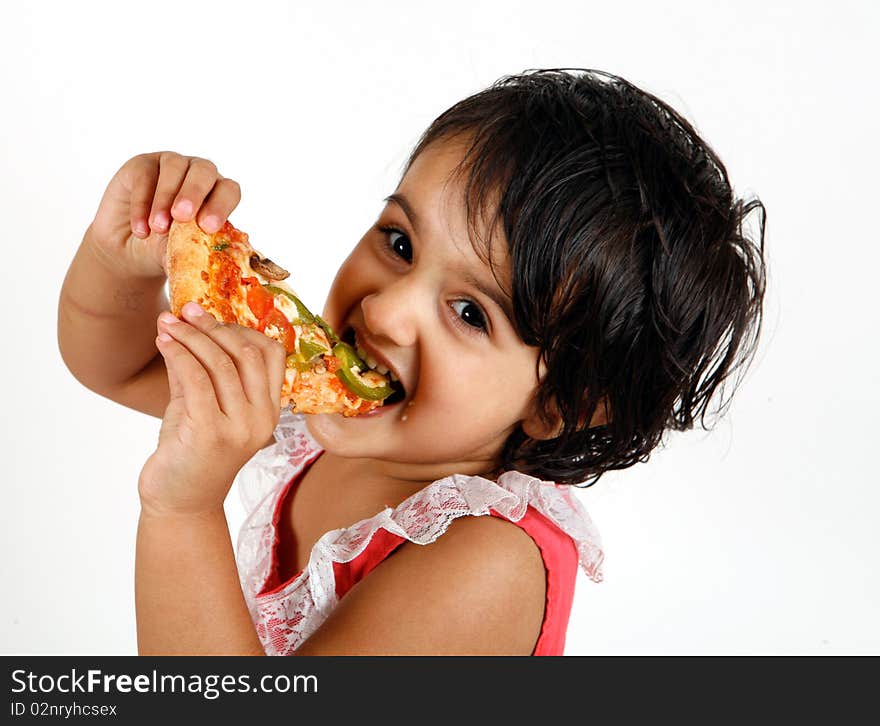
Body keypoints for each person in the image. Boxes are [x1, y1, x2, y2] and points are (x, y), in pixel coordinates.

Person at [57, 69, 767, 655]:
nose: (389, 311)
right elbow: (114, 367)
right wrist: (119, 255)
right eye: (399, 242)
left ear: (562, 406)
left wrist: (183, 511)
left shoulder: (489, 561)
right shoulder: (314, 408)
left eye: (469, 313)